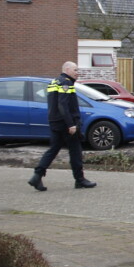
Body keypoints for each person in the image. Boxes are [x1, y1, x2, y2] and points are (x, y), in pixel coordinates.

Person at [28, 62, 96, 192]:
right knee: (75, 151)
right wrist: (71, 124)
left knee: (53, 150)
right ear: (67, 69)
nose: (77, 72)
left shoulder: (54, 82)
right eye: (75, 70)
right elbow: (63, 105)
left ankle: (37, 175)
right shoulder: (66, 83)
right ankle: (80, 180)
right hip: (66, 124)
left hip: (55, 122)